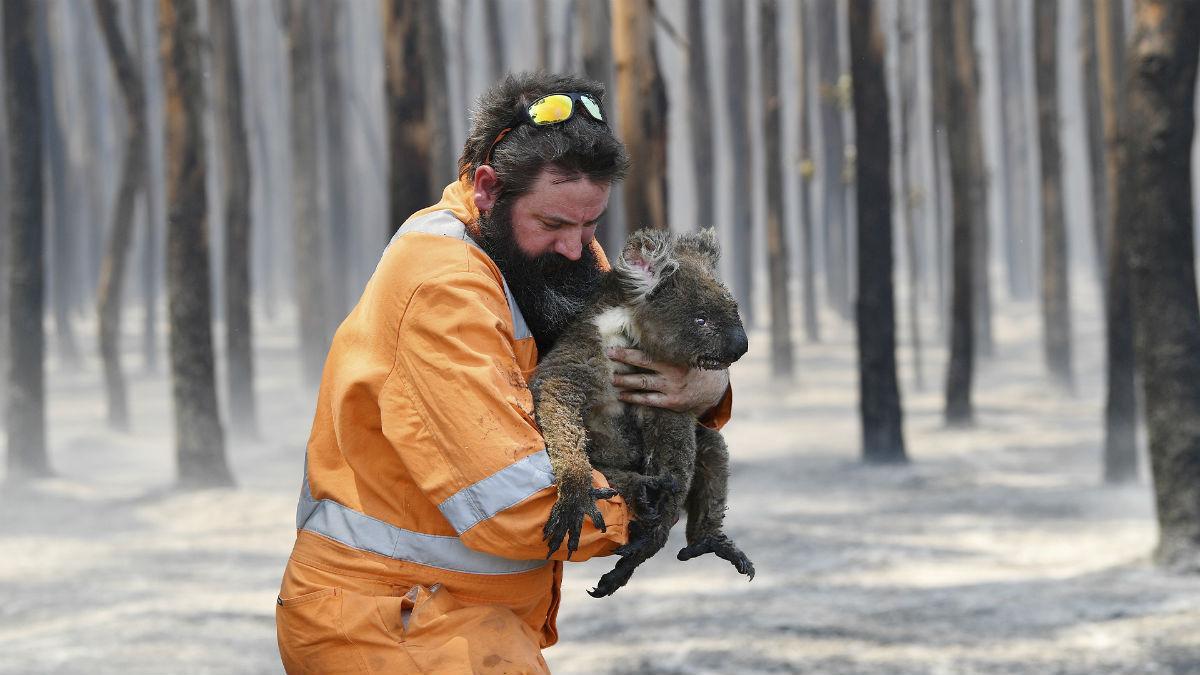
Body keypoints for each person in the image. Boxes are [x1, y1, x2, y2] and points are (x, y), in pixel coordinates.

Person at [275, 72, 734, 674]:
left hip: (459, 615)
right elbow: (515, 505)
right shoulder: (444, 288)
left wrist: (709, 387)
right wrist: (653, 500)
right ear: (489, 189)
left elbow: (643, 363)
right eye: (553, 225)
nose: (579, 248)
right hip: (389, 622)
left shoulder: (549, 256)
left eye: (591, 224)